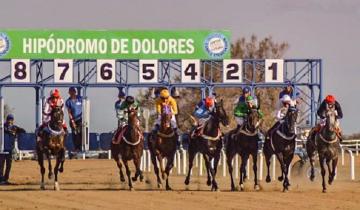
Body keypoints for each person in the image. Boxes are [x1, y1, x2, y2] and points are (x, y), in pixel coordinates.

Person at [0, 114, 25, 185]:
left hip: (9, 150)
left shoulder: (14, 127)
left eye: (11, 120)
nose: (10, 121)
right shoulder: (2, 127)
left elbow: (23, 131)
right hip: (2, 150)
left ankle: (5, 179)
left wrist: (18, 130)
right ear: (6, 120)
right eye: (9, 119)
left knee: (9, 165)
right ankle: (1, 179)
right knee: (1, 165)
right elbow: (5, 129)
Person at [65, 87, 83, 153]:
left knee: (81, 133)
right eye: (71, 92)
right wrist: (72, 122)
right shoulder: (68, 101)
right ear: (69, 93)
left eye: (73, 91)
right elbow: (69, 112)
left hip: (81, 120)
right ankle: (76, 148)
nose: (72, 93)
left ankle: (81, 147)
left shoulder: (80, 99)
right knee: (75, 134)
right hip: (73, 120)